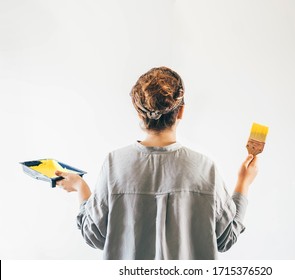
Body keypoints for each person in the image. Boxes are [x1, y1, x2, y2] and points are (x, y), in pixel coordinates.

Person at [55, 66, 259, 260]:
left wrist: (80, 187)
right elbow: (226, 239)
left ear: (138, 113)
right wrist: (244, 183)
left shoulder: (114, 165)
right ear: (180, 111)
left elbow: (95, 236)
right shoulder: (205, 169)